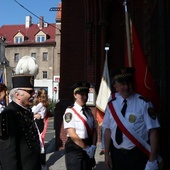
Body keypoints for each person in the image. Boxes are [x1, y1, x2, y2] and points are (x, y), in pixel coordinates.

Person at [103, 67, 161, 170]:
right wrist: (107, 154)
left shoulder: (144, 103)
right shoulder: (112, 102)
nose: (126, 87)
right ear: (115, 86)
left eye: (129, 83)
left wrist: (152, 160)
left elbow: (154, 132)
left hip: (137, 155)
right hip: (117, 155)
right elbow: (107, 129)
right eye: (122, 84)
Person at [0, 74, 41, 170]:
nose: (33, 95)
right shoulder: (9, 114)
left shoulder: (25, 111)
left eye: (34, 92)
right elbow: (8, 154)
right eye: (30, 92)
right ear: (17, 95)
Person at [63, 81, 97, 170]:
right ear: (75, 95)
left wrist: (93, 146)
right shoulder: (69, 112)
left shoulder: (89, 111)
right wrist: (85, 148)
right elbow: (72, 134)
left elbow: (94, 130)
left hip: (89, 146)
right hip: (75, 148)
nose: (85, 97)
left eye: (86, 94)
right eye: (82, 94)